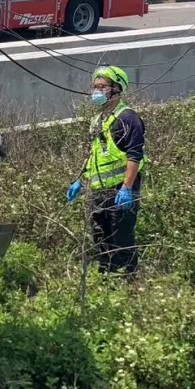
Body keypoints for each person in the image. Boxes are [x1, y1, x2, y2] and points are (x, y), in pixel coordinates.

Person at [65, 66, 146, 276]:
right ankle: (106, 276)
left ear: (117, 89)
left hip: (121, 188)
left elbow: (134, 156)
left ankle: (129, 277)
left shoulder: (128, 119)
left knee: (122, 236)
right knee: (101, 235)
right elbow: (94, 155)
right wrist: (80, 180)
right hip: (98, 188)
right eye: (95, 87)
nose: (97, 91)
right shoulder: (98, 120)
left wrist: (127, 188)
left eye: (102, 87)